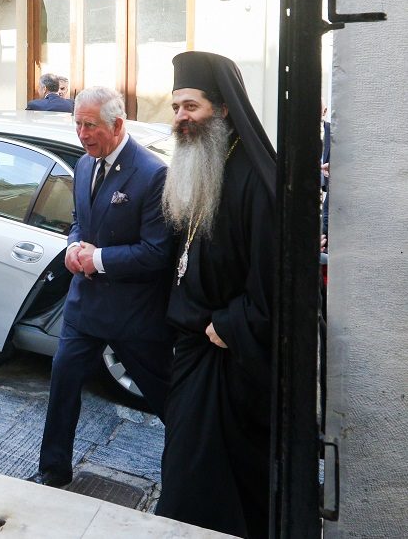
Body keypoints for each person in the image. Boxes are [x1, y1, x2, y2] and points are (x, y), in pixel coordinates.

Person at [26, 86, 176, 488]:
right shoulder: (83, 165)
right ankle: (53, 470)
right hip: (84, 307)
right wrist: (74, 246)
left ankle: (187, 477)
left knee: (168, 401)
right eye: (77, 124)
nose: (82, 134)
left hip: (133, 315)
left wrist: (98, 259)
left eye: (90, 125)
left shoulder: (152, 174)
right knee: (63, 383)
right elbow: (80, 221)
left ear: (118, 125)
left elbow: (156, 252)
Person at [156, 51, 276, 538]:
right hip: (192, 349)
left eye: (192, 106)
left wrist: (226, 325)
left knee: (218, 482)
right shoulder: (198, 167)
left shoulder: (257, 180)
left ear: (223, 109)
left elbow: (272, 282)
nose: (181, 118)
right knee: (184, 469)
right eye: (176, 107)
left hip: (230, 358)